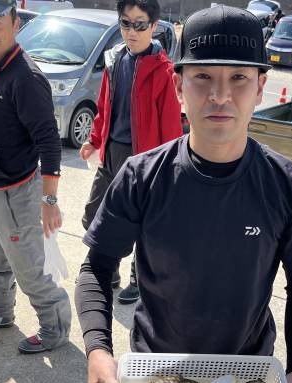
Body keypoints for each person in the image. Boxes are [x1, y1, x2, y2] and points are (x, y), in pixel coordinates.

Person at [76, 5, 292, 383]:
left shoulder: (288, 184)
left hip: (242, 381)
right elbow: (97, 267)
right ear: (178, 87)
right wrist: (98, 351)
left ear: (261, 88)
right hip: (155, 376)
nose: (220, 95)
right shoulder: (141, 176)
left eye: (239, 78)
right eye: (203, 78)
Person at [0, 0, 71, 354]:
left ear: (15, 24)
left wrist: (49, 200)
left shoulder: (26, 77)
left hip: (17, 193)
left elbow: (49, 142)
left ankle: (55, 328)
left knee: (28, 267)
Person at [79, 0, 182, 305]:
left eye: (140, 24)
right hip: (112, 152)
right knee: (97, 213)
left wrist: (168, 165)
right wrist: (94, 140)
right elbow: (104, 107)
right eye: (126, 23)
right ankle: (109, 268)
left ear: (154, 26)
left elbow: (170, 125)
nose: (132, 31)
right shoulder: (114, 61)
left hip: (145, 158)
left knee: (143, 221)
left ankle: (139, 278)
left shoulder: (164, 71)